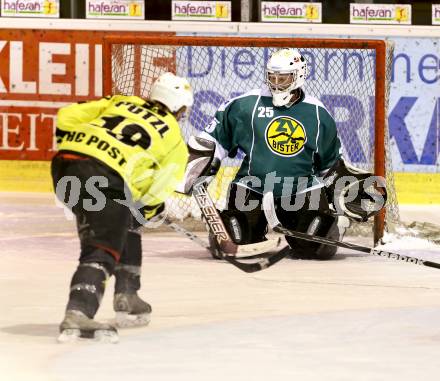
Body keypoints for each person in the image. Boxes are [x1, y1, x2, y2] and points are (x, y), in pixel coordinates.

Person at [196, 48, 385, 261]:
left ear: (298, 76)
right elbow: (213, 138)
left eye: (283, 78)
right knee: (236, 238)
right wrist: (203, 161)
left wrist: (342, 190)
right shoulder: (246, 105)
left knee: (317, 247)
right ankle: (235, 224)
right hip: (251, 187)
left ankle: (335, 224)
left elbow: (330, 165)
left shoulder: (317, 113)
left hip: (300, 190)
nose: (276, 83)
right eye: (272, 77)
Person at [52, 72, 193, 342]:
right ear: (179, 107)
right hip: (102, 175)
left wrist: (87, 149)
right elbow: (157, 190)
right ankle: (78, 311)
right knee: (102, 247)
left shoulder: (120, 101)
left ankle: (127, 294)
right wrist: (150, 209)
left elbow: (66, 116)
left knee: (124, 217)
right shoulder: (173, 137)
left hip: (65, 165)